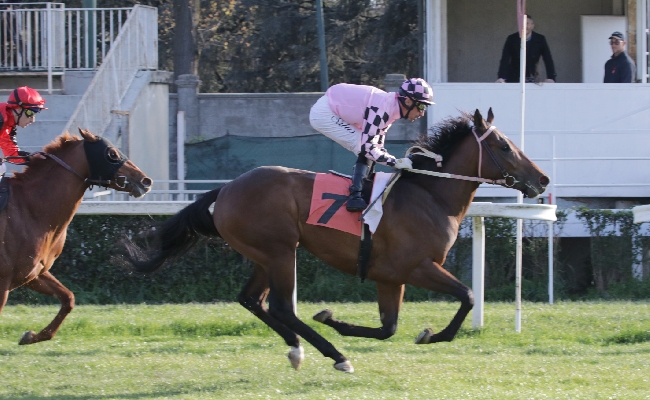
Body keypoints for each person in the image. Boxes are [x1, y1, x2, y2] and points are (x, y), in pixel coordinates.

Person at [309, 78, 434, 212]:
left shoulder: (390, 108)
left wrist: (393, 161)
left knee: (371, 148)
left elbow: (377, 147)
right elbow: (367, 148)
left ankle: (362, 190)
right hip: (325, 113)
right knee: (363, 146)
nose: (422, 113)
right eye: (421, 106)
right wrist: (395, 162)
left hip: (336, 107)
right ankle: (355, 196)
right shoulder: (382, 110)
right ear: (408, 101)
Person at [0, 86, 48, 176]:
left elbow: (12, 155)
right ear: (17, 108)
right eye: (30, 113)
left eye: (35, 114)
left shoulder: (8, 125)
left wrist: (31, 157)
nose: (32, 120)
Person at [496, 15, 557, 83]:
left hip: (533, 76)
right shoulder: (512, 39)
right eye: (521, 24)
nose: (524, 26)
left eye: (527, 23)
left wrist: (551, 77)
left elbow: (548, 59)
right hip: (514, 77)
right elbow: (505, 59)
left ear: (532, 26)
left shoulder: (540, 39)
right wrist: (501, 77)